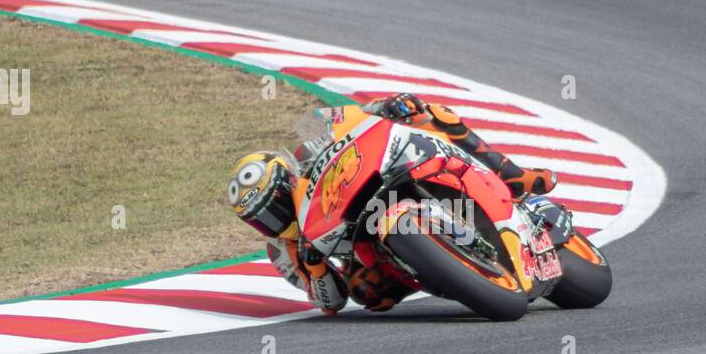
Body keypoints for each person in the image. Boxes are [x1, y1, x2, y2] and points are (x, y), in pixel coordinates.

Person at [226, 93, 557, 314]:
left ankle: (513, 175)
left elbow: (349, 117)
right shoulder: (282, 251)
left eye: (276, 204)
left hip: (377, 177)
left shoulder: (305, 154)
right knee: (366, 293)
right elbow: (330, 303)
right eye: (262, 219)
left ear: (289, 180)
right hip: (370, 247)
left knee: (430, 115)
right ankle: (441, 267)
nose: (273, 220)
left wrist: (386, 105)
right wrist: (314, 265)